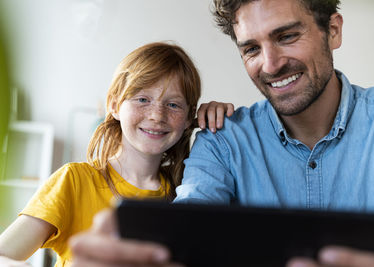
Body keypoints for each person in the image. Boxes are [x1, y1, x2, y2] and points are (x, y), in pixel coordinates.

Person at [69, 0, 374, 266]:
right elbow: (189, 223)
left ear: (332, 30)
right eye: (252, 49)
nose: (270, 65)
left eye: (286, 36)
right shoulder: (221, 139)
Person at [0, 42, 234, 266]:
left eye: (173, 105)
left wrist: (223, 124)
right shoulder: (74, 181)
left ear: (188, 117)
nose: (157, 115)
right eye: (143, 99)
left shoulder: (188, 192)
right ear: (114, 105)